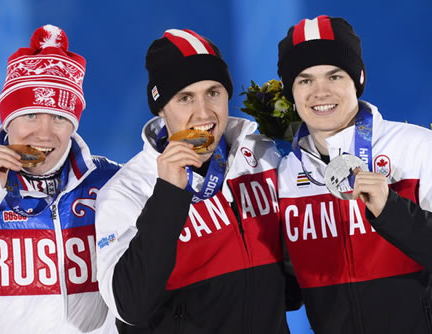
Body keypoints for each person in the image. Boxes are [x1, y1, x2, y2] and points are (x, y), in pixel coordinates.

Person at [95, 28, 296, 333]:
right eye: (185, 98)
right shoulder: (128, 191)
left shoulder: (264, 157)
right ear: (162, 109)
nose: (204, 113)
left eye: (213, 92)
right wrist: (168, 195)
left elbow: (292, 285)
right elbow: (130, 306)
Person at [0, 24, 120, 333]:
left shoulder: (113, 185)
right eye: (31, 115)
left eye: (60, 118)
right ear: (8, 121)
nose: (44, 134)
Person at [275, 15, 432, 333]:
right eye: (305, 80)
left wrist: (391, 210)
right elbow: (288, 289)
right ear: (290, 92)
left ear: (358, 79)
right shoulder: (285, 175)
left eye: (335, 76)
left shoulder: (419, 149)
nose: (320, 92)